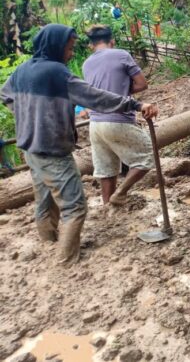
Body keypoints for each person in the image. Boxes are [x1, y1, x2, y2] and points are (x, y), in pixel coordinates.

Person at [0, 24, 158, 266]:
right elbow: (96, 96)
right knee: (75, 206)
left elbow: (5, 95)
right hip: (53, 149)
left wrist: (28, 114)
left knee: (45, 199)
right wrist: (135, 105)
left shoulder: (22, 71)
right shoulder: (57, 73)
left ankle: (49, 240)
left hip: (29, 148)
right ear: (56, 46)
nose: (72, 53)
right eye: (70, 48)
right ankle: (66, 260)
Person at [82, 25, 155, 206]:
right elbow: (141, 84)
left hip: (95, 125)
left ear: (91, 45)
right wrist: (121, 90)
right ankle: (121, 192)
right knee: (147, 156)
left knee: (106, 169)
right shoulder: (121, 54)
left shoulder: (86, 63)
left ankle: (109, 209)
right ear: (112, 41)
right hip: (118, 120)